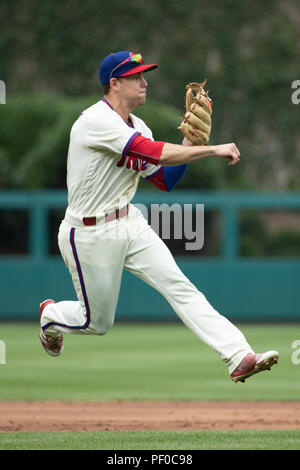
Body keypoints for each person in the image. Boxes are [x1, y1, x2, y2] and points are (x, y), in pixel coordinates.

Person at [39, 51, 279, 383]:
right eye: (136, 76)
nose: (144, 81)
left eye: (143, 75)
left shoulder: (138, 126)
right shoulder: (96, 121)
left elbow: (164, 179)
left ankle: (238, 355)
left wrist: (188, 141)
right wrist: (210, 149)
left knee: (181, 287)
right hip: (89, 234)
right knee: (96, 323)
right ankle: (51, 316)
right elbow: (156, 153)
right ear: (114, 83)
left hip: (129, 222)